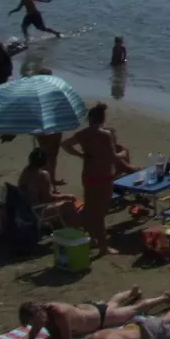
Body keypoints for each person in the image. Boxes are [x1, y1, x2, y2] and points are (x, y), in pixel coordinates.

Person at [16, 287, 170, 339]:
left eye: (35, 322)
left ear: (37, 313)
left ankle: (163, 298)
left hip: (99, 318)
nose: (37, 326)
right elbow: (31, 335)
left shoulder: (59, 313)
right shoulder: (42, 313)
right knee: (111, 304)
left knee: (134, 310)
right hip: (89, 311)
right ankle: (131, 292)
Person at [61, 103, 125, 255]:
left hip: (89, 175)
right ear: (102, 119)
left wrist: (81, 155)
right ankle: (103, 247)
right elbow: (112, 157)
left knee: (90, 208)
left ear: (90, 119)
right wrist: (123, 153)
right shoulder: (105, 134)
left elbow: (65, 144)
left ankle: (92, 238)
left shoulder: (83, 134)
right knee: (100, 213)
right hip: (104, 177)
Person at [18, 147, 79, 227]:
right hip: (38, 211)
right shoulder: (42, 175)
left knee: (61, 201)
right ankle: (75, 231)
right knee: (68, 205)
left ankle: (60, 227)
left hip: (23, 210)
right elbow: (48, 198)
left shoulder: (26, 171)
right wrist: (67, 196)